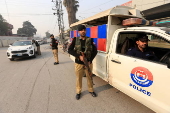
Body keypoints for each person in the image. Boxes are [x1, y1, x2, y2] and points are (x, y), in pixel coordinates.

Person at [68, 24, 98, 100]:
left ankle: (91, 90)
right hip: (78, 63)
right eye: (81, 30)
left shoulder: (90, 39)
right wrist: (79, 56)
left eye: (84, 30)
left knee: (89, 77)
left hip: (88, 63)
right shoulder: (75, 39)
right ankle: (78, 92)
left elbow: (95, 51)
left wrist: (90, 60)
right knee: (79, 78)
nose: (83, 31)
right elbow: (70, 50)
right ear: (79, 32)